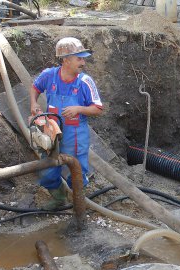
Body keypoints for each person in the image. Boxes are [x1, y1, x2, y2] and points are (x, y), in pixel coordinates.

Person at [30, 37, 103, 210]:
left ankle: (77, 204)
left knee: (77, 171)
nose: (83, 62)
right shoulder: (49, 75)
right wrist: (34, 104)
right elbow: (35, 88)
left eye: (83, 58)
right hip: (51, 133)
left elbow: (98, 108)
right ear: (66, 60)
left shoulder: (85, 82)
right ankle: (59, 198)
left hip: (75, 135)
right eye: (79, 58)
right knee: (47, 170)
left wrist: (79, 109)